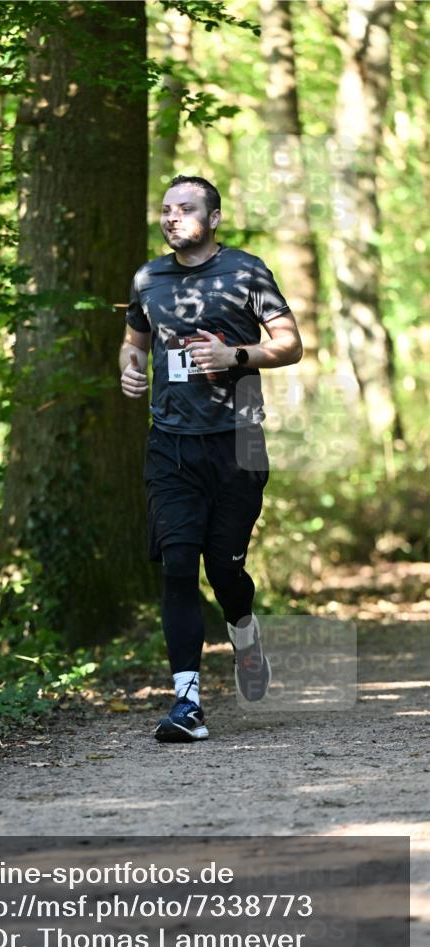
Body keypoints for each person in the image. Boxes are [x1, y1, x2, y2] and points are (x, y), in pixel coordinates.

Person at [120, 174, 303, 743]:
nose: (171, 217)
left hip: (239, 439)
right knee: (177, 565)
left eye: (185, 209)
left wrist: (235, 354)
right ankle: (187, 703)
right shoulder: (148, 277)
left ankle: (244, 636)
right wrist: (128, 367)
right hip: (171, 442)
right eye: (166, 209)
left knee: (223, 569)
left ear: (214, 217)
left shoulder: (247, 271)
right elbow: (134, 340)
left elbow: (290, 343)